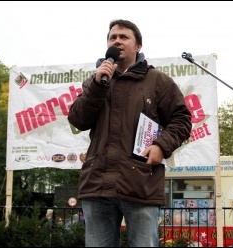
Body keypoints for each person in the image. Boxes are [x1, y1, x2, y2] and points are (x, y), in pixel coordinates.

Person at [67, 19, 192, 247]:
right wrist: (97, 86)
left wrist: (162, 146)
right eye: (112, 37)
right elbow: (77, 120)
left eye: (124, 37)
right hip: (97, 185)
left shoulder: (158, 81)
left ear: (138, 46)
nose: (117, 41)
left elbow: (182, 119)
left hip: (140, 184)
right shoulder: (94, 81)